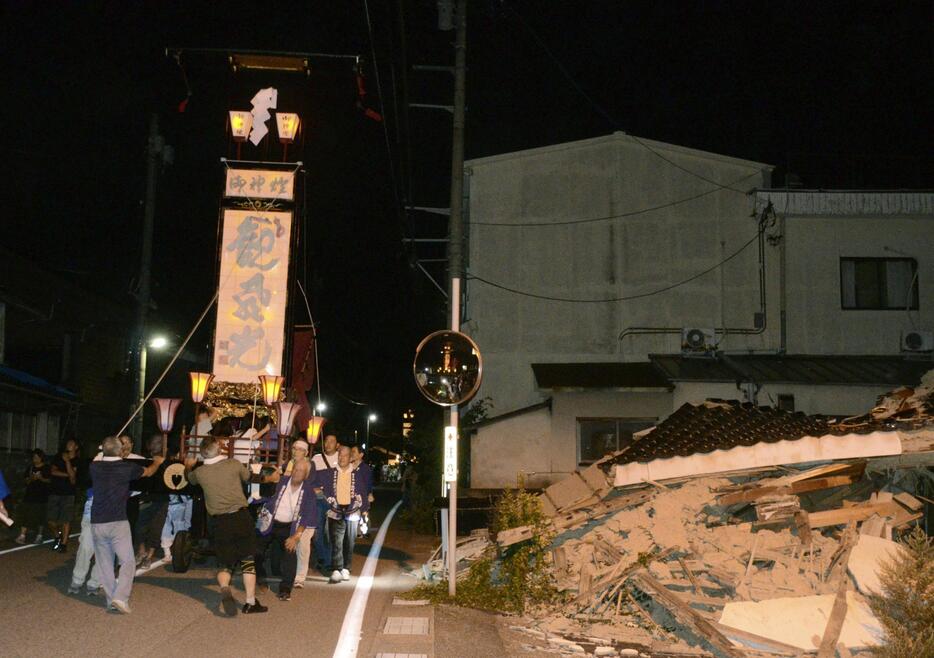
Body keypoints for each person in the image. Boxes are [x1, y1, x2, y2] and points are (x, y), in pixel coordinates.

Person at [184, 436, 270, 615]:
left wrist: (188, 465)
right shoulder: (233, 464)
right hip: (240, 517)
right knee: (247, 560)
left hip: (219, 522)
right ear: (220, 449)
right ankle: (250, 602)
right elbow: (251, 478)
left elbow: (189, 479)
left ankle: (224, 587)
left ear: (202, 453)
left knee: (224, 563)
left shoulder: (200, 473)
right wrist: (270, 477)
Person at [89, 436, 163, 614]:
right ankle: (120, 597)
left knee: (105, 563)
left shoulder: (95, 467)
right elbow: (148, 472)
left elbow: (97, 457)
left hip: (97, 521)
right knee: (128, 561)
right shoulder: (126, 468)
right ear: (120, 451)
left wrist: (103, 450)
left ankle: (110, 600)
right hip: (117, 521)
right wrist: (158, 463)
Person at [256, 459, 317, 601]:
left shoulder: (308, 490)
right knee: (256, 550)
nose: (297, 472)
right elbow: (264, 489)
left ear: (306, 474)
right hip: (271, 522)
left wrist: (296, 536)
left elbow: (308, 514)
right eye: (295, 469)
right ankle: (260, 578)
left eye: (301, 470)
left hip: (289, 526)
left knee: (290, 551)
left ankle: (285, 589)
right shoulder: (282, 481)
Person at [319, 445, 370, 583]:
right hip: (335, 511)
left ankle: (346, 568)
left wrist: (365, 509)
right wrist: (321, 494)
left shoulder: (357, 474)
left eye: (345, 455)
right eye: (340, 455)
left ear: (350, 458)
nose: (342, 458)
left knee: (350, 541)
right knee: (336, 541)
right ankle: (336, 569)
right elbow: (313, 481)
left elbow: (363, 492)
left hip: (352, 511)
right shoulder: (328, 473)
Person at [280, 439, 314, 588]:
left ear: (306, 452)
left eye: (299, 449)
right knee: (291, 545)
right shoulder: (287, 464)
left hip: (306, 511)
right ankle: (290, 574)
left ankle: (300, 576)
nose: (295, 451)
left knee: (303, 545)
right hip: (289, 513)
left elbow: (307, 484)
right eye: (294, 448)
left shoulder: (309, 466)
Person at [135, 436, 170, 569]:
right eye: (155, 443)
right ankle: (141, 551)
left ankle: (149, 556)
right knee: (139, 526)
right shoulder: (143, 461)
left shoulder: (168, 461)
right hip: (146, 498)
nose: (157, 445)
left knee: (156, 529)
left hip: (162, 500)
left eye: (160, 443)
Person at [310, 432, 340, 573]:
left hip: (335, 501)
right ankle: (324, 558)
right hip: (319, 498)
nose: (328, 444)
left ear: (337, 445)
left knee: (332, 532)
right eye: (326, 441)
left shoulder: (341, 458)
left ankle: (329, 560)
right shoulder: (316, 458)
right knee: (317, 531)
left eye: (332, 441)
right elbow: (310, 477)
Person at [67, 486, 102, 596]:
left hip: (111, 523)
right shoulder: (98, 483)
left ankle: (94, 583)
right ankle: (77, 580)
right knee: (85, 548)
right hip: (92, 518)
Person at [48, 439, 80, 553]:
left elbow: (73, 480)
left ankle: (63, 544)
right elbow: (52, 471)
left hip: (68, 493)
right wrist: (69, 474)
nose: (69, 445)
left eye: (72, 443)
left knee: (66, 519)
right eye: (68, 443)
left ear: (76, 447)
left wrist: (67, 462)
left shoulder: (77, 460)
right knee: (51, 520)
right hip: (55, 492)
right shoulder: (58, 456)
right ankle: (58, 535)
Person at [16, 449, 51, 544]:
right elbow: (26, 481)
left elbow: (49, 481)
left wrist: (41, 478)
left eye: (37, 457)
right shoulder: (30, 468)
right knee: (26, 514)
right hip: (29, 495)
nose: (35, 459)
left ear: (41, 458)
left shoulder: (46, 468)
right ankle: (22, 535)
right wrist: (32, 478)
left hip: (41, 496)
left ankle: (39, 536)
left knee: (40, 516)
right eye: (34, 457)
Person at [350, 445, 374, 537]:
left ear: (361, 455)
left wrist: (369, 493)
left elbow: (368, 482)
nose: (352, 453)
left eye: (354, 451)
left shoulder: (365, 468)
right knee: (354, 513)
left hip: (363, 494)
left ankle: (365, 531)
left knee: (364, 513)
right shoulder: (349, 466)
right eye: (351, 451)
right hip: (352, 494)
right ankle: (358, 532)